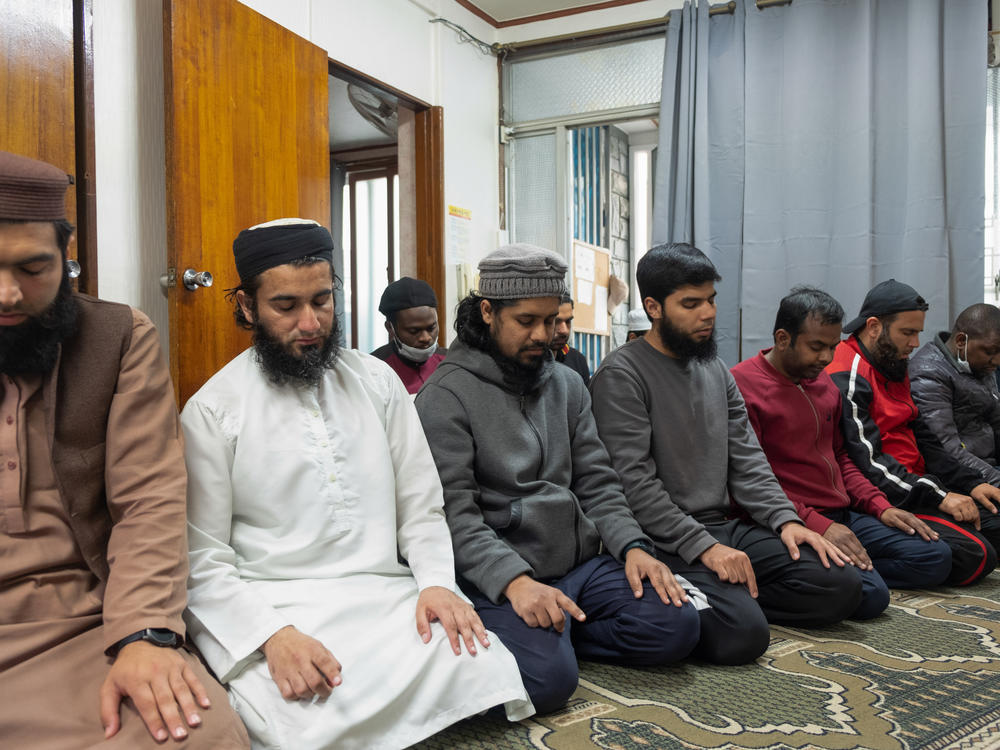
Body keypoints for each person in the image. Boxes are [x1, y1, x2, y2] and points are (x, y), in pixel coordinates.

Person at [181, 220, 531, 750]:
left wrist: (436, 582)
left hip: (385, 595)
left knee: (499, 668)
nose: (310, 322)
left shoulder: (376, 381)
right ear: (248, 307)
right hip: (280, 608)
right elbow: (202, 559)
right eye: (286, 306)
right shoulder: (212, 410)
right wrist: (270, 638)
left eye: (322, 300)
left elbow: (420, 506)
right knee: (298, 714)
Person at [0, 150, 249, 748]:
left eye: (33, 268)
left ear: (65, 258)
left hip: (84, 619)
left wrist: (145, 635)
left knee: (202, 735)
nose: (7, 294)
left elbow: (151, 499)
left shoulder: (117, 338)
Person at [415, 244, 700, 715]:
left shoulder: (566, 385)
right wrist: (515, 582)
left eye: (550, 321)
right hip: (501, 573)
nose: (542, 335)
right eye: (527, 321)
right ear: (487, 312)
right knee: (548, 684)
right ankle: (548, 640)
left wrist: (632, 546)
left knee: (677, 625)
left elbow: (598, 483)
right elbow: (454, 517)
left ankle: (561, 632)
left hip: (577, 566)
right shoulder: (445, 396)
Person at [590, 243, 860, 666]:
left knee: (840, 583)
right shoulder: (622, 374)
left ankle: (729, 599)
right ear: (653, 307)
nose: (708, 313)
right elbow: (634, 487)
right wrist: (705, 549)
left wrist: (785, 520)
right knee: (743, 637)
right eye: (691, 303)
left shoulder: (714, 368)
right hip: (667, 541)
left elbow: (748, 459)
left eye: (712, 300)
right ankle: (727, 605)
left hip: (727, 528)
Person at [731, 287, 951, 619]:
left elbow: (841, 458)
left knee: (936, 556)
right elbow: (750, 482)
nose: (825, 358)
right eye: (816, 347)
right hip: (788, 520)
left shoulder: (824, 384)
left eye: (832, 347)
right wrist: (817, 524)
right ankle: (828, 577)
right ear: (782, 338)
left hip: (845, 514)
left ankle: (847, 569)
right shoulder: (742, 386)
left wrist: (880, 507)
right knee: (871, 596)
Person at [827, 280, 1000, 585]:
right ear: (874, 326)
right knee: (974, 556)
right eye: (908, 333)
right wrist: (941, 497)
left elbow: (926, 438)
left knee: (990, 524)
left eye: (918, 332)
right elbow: (869, 462)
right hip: (888, 494)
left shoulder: (892, 362)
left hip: (918, 485)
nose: (916, 343)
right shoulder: (849, 373)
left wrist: (970, 484)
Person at [909, 303, 1000, 486]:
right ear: (961, 341)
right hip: (964, 479)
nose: (997, 361)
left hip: (989, 466)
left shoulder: (979, 364)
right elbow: (946, 450)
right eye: (990, 352)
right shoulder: (928, 373)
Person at [371, 276, 446, 394]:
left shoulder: (449, 361)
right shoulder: (374, 369)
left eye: (431, 328)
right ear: (390, 328)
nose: (426, 338)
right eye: (414, 331)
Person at [551, 293, 591, 384]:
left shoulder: (578, 360)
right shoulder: (527, 362)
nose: (564, 330)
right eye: (556, 321)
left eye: (568, 321)